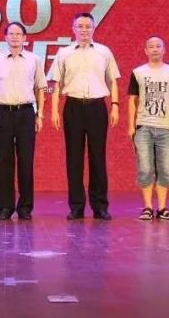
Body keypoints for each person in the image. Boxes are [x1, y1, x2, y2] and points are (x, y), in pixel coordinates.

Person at [51, 12, 120, 220]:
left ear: (93, 28)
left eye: (88, 26)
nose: (84, 30)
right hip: (73, 107)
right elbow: (57, 83)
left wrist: (115, 106)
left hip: (97, 107)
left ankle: (100, 206)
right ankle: (76, 206)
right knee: (74, 158)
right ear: (73, 28)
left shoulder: (104, 51)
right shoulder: (64, 53)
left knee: (98, 157)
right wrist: (54, 110)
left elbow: (113, 80)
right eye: (80, 26)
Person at [0, 22, 47, 221]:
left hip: (26, 113)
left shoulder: (34, 59)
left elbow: (40, 88)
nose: (14, 37)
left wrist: (40, 115)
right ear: (5, 37)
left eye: (18, 34)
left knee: (26, 162)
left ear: (24, 38)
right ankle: (5, 207)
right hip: (3, 113)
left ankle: (25, 207)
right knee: (5, 162)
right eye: (11, 34)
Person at [127, 36, 169, 221]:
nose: (155, 49)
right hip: (143, 126)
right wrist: (131, 125)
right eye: (151, 46)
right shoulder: (138, 73)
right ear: (145, 50)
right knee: (145, 168)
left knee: (165, 169)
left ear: (164, 49)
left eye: (158, 46)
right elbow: (132, 100)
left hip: (166, 127)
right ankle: (148, 208)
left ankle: (163, 207)